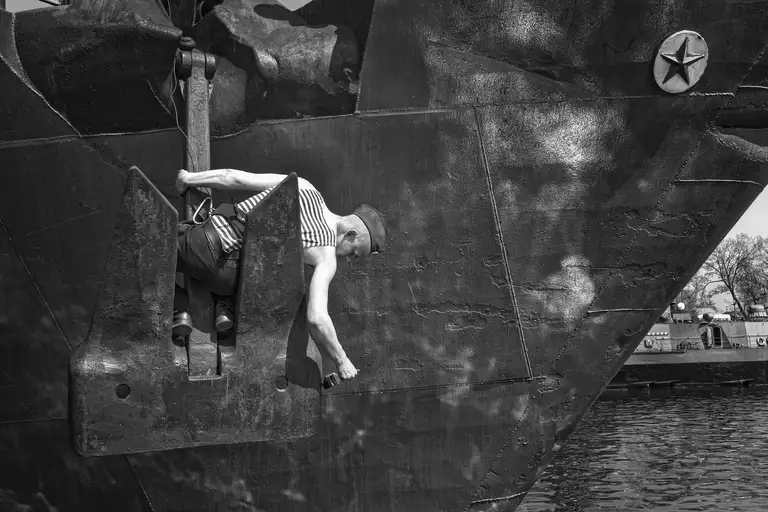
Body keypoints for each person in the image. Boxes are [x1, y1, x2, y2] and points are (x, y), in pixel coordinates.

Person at [173, 168, 387, 381]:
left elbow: (233, 178)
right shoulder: (326, 257)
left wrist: (188, 179)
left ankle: (182, 304)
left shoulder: (304, 187)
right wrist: (341, 359)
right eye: (354, 253)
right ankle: (222, 305)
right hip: (230, 278)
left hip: (204, 242)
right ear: (351, 234)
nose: (348, 259)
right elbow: (317, 318)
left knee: (152, 250)